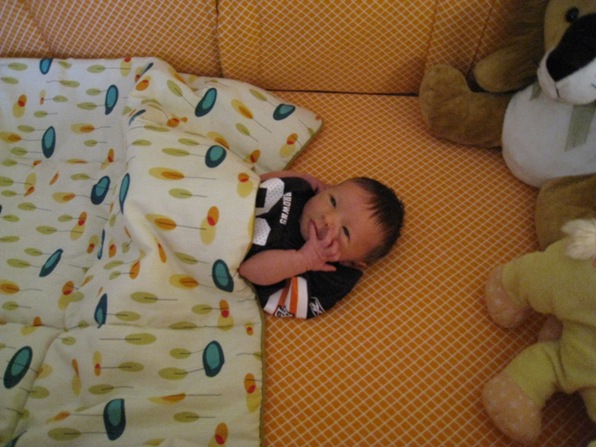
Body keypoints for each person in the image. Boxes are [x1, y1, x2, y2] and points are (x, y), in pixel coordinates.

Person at [239, 170, 405, 319]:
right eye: (332, 201)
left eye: (345, 232)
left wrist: (305, 260)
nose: (328, 218)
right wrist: (303, 177)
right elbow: (256, 181)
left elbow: (248, 271)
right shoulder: (302, 191)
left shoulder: (324, 277)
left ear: (351, 262)